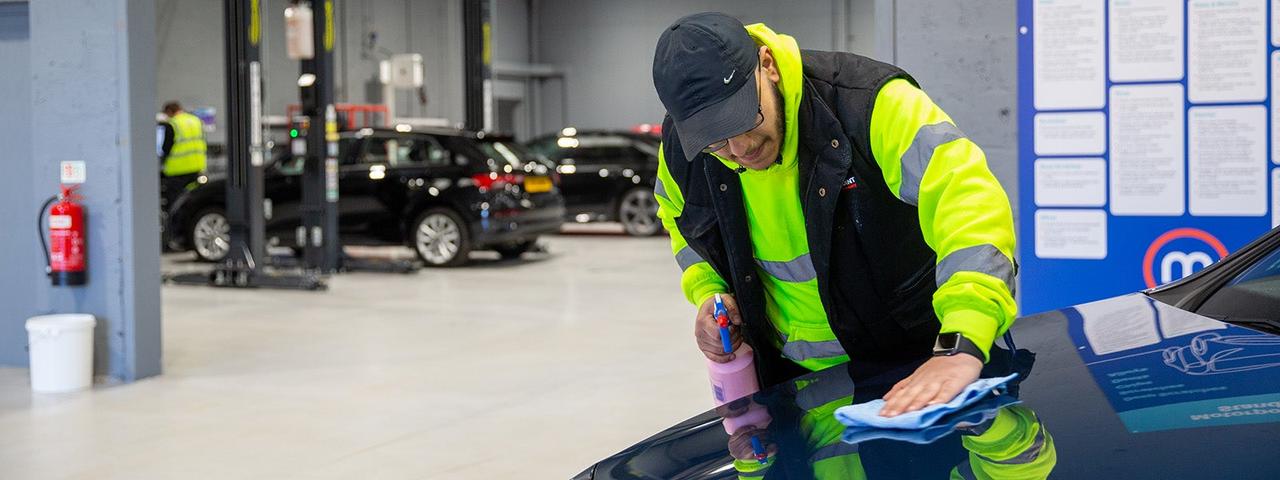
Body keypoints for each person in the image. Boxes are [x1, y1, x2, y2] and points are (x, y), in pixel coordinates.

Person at [651, 13, 1017, 418]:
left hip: (916, 371)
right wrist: (709, 291)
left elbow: (970, 208)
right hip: (791, 392)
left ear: (768, 65)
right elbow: (678, 219)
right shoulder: (683, 150)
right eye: (716, 141)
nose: (740, 149)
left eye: (745, 120)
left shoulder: (871, 104)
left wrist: (960, 342)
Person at [159, 101, 208, 209]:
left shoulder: (173, 123)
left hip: (177, 169)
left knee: (175, 201)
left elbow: (166, 147)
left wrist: (162, 159)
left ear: (169, 111)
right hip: (197, 167)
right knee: (194, 197)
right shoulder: (196, 120)